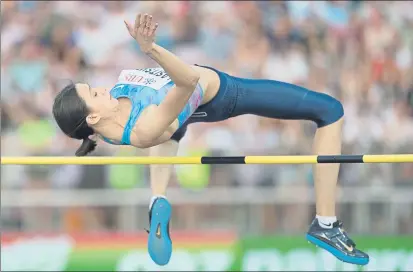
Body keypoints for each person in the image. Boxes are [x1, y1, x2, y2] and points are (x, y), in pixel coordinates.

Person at [52, 13, 369, 266]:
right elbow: (188, 81)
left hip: (166, 115)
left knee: (170, 127)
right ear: (92, 118)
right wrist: (150, 48)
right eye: (94, 93)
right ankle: (326, 224)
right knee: (330, 110)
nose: (102, 89)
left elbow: (153, 115)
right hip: (224, 94)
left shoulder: (117, 117)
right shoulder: (141, 127)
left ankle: (157, 197)